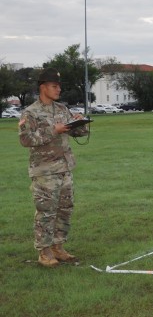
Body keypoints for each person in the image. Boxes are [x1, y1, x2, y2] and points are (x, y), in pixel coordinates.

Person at [19, 67, 89, 267]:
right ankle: (44, 251)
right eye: (54, 86)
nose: (58, 89)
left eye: (59, 86)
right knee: (46, 211)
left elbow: (77, 133)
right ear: (43, 87)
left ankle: (58, 246)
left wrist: (79, 123)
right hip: (44, 171)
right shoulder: (30, 112)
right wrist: (53, 130)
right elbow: (25, 139)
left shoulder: (61, 110)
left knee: (65, 209)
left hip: (64, 168)